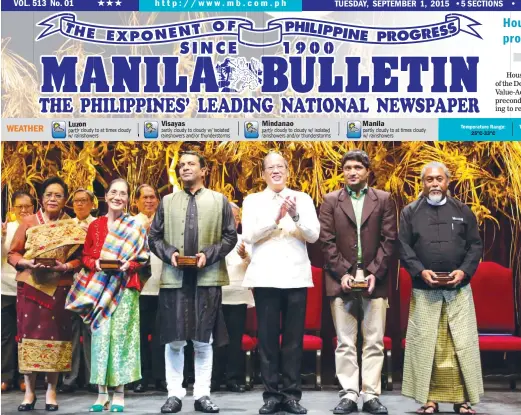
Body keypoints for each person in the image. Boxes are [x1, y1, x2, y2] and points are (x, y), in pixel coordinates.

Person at [149, 151, 237, 414]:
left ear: (204, 170)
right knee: (174, 340)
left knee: (203, 340)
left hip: (207, 278)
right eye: (182, 165)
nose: (185, 168)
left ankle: (202, 395)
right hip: (175, 279)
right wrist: (171, 254)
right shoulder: (167, 201)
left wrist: (207, 256)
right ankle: (174, 394)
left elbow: (229, 237)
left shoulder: (219, 201)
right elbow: (154, 238)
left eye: (191, 164)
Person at [399, 162, 484, 414]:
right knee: (427, 345)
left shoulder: (463, 210)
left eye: (439, 179)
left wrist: (464, 271)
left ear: (448, 182)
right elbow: (403, 246)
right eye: (429, 180)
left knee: (462, 344)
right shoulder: (410, 212)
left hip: (458, 290)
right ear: (422, 183)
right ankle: (428, 400)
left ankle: (462, 401)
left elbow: (475, 245)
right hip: (424, 291)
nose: (434, 183)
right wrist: (420, 271)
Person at [242, 151, 320, 415]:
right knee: (267, 340)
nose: (275, 171)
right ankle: (271, 395)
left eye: (280, 167)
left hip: (296, 277)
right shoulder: (253, 201)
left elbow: (314, 235)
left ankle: (291, 395)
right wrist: (274, 219)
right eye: (270, 167)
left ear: (288, 171)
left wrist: (296, 215)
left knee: (293, 341)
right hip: (265, 278)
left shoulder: (303, 198)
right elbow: (249, 235)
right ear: (263, 173)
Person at [319, 150, 397, 415]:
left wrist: (375, 271)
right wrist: (343, 272)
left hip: (376, 279)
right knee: (345, 340)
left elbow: (389, 240)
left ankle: (371, 395)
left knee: (374, 341)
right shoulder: (330, 201)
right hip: (341, 280)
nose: (352, 172)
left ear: (367, 171)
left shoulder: (384, 199)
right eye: (347, 168)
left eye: (357, 168)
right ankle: (350, 394)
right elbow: (326, 242)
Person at [65, 178, 150, 412]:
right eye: (114, 192)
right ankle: (102, 394)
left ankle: (120, 393)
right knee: (100, 340)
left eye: (123, 193)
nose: (117, 197)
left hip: (125, 288)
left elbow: (142, 258)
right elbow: (85, 257)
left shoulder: (134, 225)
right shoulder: (96, 226)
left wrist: (127, 266)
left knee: (122, 339)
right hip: (98, 288)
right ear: (106, 195)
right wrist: (99, 264)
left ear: (128, 198)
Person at [8, 177, 86, 411]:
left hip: (58, 289)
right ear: (41, 198)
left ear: (65, 200)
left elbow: (81, 258)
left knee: (57, 339)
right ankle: (30, 393)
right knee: (28, 339)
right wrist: (28, 262)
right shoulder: (29, 222)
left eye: (58, 195)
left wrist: (65, 267)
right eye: (49, 195)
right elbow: (13, 254)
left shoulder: (72, 226)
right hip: (30, 287)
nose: (53, 199)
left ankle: (51, 392)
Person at [211, 202, 255, 393]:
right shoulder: (212, 239)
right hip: (215, 296)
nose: (231, 221)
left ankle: (234, 379)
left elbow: (255, 265)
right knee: (214, 340)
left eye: (235, 217)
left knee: (234, 340)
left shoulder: (245, 240)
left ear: (238, 221)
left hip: (237, 296)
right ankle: (213, 379)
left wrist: (245, 255)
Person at [60, 188, 97, 394]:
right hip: (69, 282)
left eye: (84, 201)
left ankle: (93, 377)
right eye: (76, 201)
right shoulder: (66, 225)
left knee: (91, 330)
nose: (80, 204)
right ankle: (70, 378)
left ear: (92, 203)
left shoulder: (98, 225)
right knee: (71, 331)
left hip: (91, 282)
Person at [132, 184, 167, 393]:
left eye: (152, 197)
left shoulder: (165, 222)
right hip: (140, 288)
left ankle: (161, 378)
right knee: (140, 336)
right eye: (144, 197)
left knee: (162, 335)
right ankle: (141, 378)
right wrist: (142, 233)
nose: (149, 201)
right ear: (136, 201)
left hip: (162, 286)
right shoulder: (131, 223)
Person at [2, 191, 35, 393]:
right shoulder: (7, 228)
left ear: (33, 207)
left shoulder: (37, 227)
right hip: (6, 288)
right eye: (19, 207)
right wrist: (2, 237)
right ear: (13, 209)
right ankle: (5, 376)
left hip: (30, 287)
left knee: (27, 335)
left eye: (27, 206)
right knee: (6, 336)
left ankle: (27, 378)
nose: (23, 210)